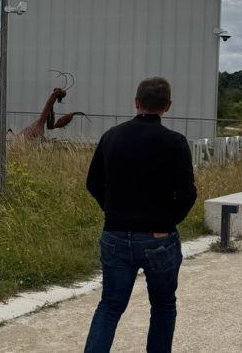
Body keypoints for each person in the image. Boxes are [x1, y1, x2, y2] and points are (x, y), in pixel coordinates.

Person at [84, 77, 197, 353]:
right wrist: (168, 222)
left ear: (136, 103)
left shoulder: (111, 136)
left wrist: (112, 211)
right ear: (167, 107)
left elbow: (93, 183)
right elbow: (187, 193)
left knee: (110, 306)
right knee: (163, 305)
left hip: (115, 236)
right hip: (159, 238)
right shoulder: (175, 142)